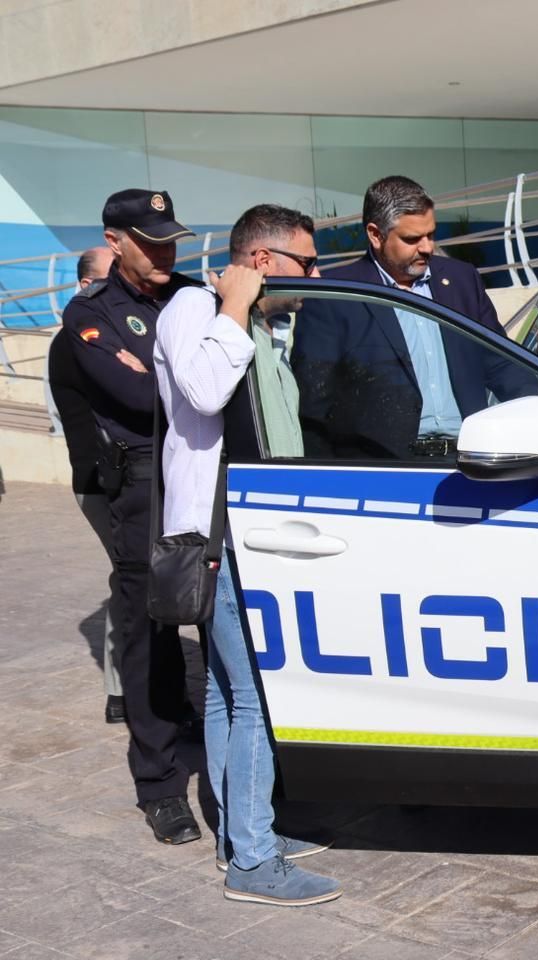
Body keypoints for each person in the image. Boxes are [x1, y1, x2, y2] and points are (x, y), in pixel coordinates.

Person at [153, 203, 341, 906]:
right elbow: (204, 392)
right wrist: (234, 305)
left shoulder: (256, 321)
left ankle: (247, 831)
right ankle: (254, 862)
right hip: (227, 537)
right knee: (255, 696)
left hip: (259, 530)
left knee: (230, 692)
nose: (314, 273)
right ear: (261, 261)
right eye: (305, 260)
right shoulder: (195, 308)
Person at [61, 189, 201, 845]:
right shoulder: (90, 311)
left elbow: (193, 384)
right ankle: (160, 785)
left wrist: (155, 370)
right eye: (149, 240)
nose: (164, 250)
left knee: (220, 618)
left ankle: (211, 736)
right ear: (114, 241)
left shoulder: (193, 295)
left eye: (169, 237)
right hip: (144, 484)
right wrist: (176, 374)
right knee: (150, 634)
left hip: (206, 469)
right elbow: (140, 395)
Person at [292, 174, 526, 460]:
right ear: (375, 235)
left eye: (431, 234)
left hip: (468, 462)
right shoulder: (336, 295)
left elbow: (503, 365)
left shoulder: (462, 280)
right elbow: (314, 406)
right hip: (385, 472)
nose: (427, 247)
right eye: (412, 239)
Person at [44, 246, 131, 723]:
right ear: (84, 285)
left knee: (132, 575)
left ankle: (127, 686)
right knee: (132, 574)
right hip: (101, 481)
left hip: (114, 477)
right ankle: (122, 688)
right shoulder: (75, 341)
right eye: (108, 277)